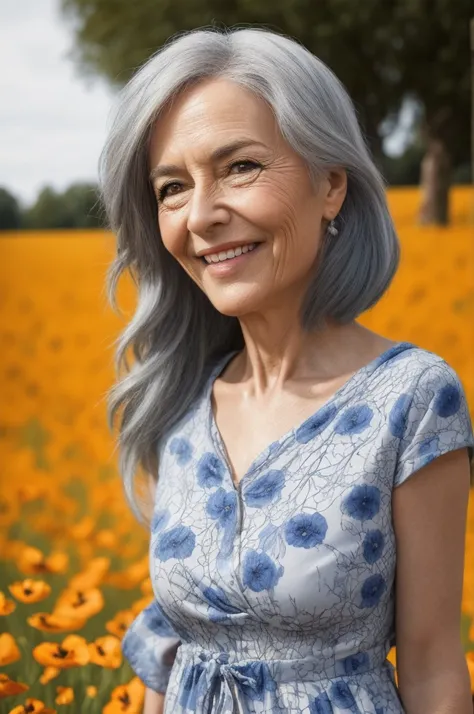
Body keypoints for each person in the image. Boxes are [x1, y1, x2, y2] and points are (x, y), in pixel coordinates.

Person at [100, 26, 474, 714]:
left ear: (331, 184)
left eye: (239, 166)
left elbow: (433, 672)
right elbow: (168, 655)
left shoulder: (412, 399)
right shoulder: (184, 402)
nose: (203, 214)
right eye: (172, 187)